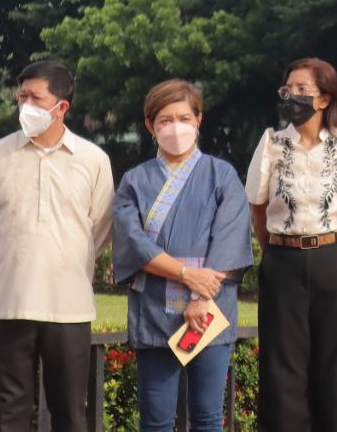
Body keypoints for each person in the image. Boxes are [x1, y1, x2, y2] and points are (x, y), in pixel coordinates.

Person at [0, 61, 114, 432]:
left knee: (69, 411)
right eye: (21, 96)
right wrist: (15, 258)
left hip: (68, 305)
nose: (25, 105)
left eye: (35, 97)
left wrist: (64, 259)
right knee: (6, 410)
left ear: (61, 106)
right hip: (11, 302)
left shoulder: (93, 160)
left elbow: (100, 229)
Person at [111, 79, 253, 432]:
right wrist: (186, 275)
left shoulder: (222, 175)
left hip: (210, 310)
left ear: (198, 120)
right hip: (154, 309)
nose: (176, 127)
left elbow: (230, 238)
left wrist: (201, 298)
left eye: (184, 118)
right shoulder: (134, 180)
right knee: (155, 420)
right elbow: (132, 243)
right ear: (150, 125)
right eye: (165, 120)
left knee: (207, 416)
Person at [245, 58, 337, 431]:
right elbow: (257, 208)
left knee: (336, 364)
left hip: (335, 258)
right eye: (287, 89)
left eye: (303, 89)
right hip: (283, 260)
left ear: (324, 98)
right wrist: (276, 251)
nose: (293, 96)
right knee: (281, 365)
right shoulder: (271, 143)